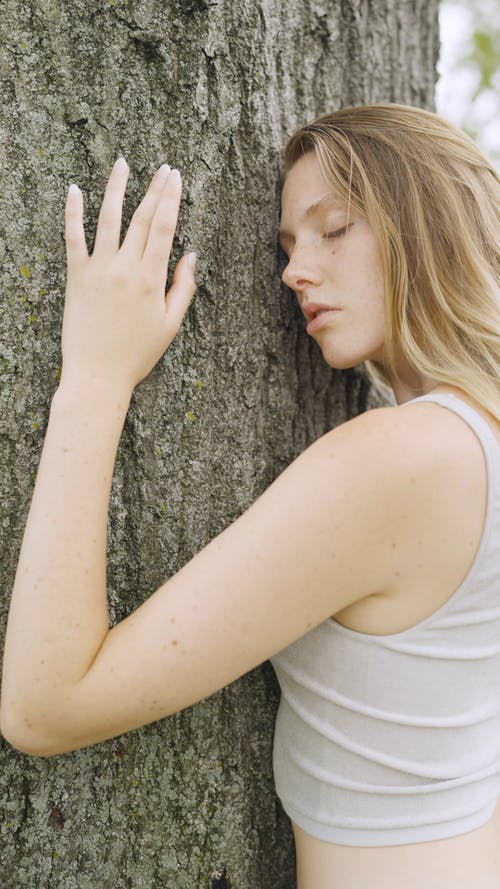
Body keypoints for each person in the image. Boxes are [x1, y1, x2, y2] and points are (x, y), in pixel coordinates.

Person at [1, 102, 500, 889]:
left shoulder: (405, 457)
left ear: (430, 224)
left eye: (333, 229)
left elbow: (43, 706)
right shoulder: (477, 437)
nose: (294, 270)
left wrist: (95, 379)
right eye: (289, 245)